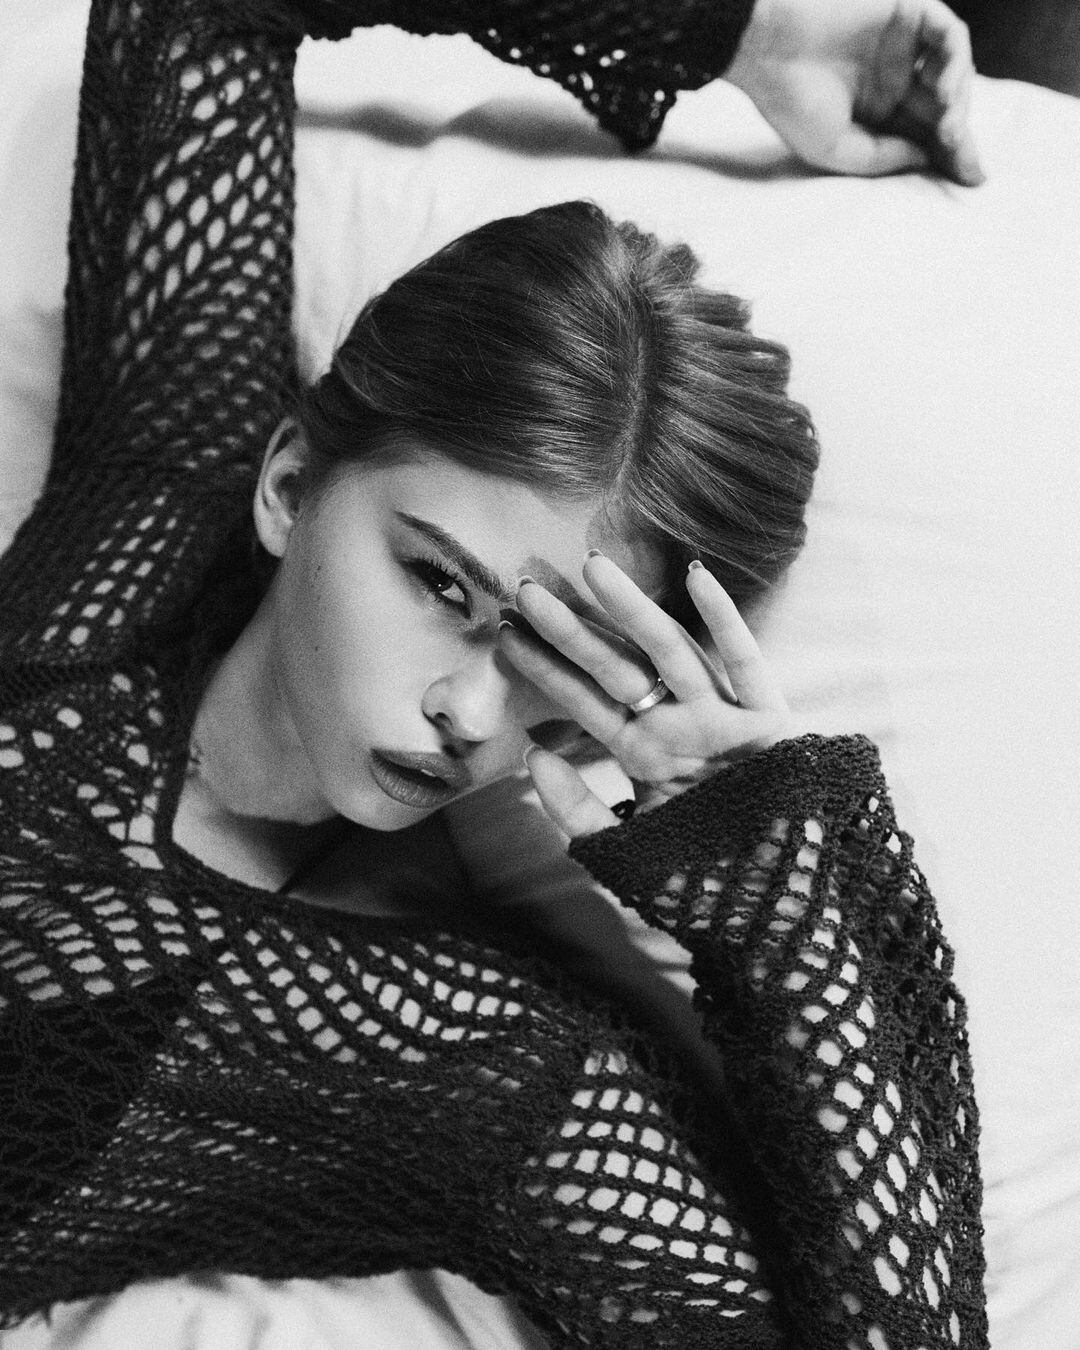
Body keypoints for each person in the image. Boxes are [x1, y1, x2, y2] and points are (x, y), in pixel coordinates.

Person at [0, 0, 987, 1346]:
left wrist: (778, 891)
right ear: (289, 486)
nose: (468, 712)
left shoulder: (474, 1055)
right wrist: (743, 35)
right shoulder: (152, 506)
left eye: (551, 658)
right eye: (438, 584)